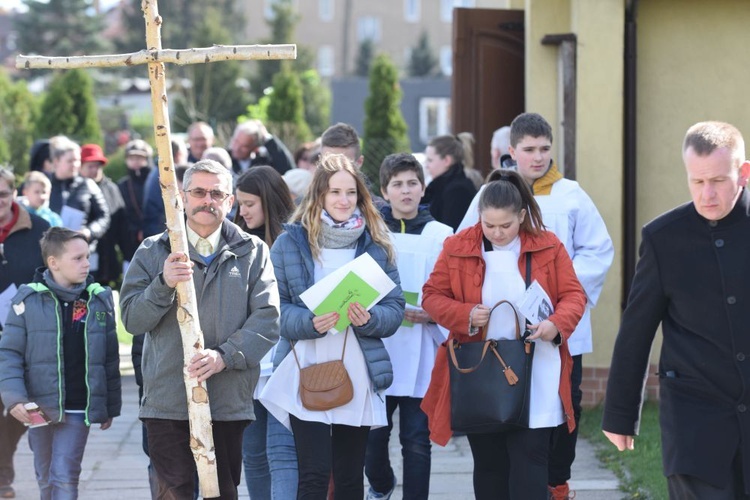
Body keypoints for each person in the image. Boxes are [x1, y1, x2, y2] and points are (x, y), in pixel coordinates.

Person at [458, 112, 614, 499]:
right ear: (512, 152)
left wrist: (556, 290)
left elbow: (598, 251)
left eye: (545, 149)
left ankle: (556, 481)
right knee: (502, 412)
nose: (538, 157)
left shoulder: (570, 195)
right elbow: (464, 247)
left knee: (564, 408)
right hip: (501, 335)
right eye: (529, 150)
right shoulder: (489, 196)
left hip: (556, 328)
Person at [602, 121, 750, 499]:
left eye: (717, 180)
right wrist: (620, 414)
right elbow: (637, 328)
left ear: (744, 173)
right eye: (697, 182)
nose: (708, 195)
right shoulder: (663, 238)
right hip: (694, 418)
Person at [420, 170, 586, 499]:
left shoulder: (549, 245)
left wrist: (555, 323)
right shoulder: (457, 246)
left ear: (522, 216)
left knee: (531, 460)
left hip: (538, 366)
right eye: (489, 225)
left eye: (506, 226)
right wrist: (464, 314)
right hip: (480, 370)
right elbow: (432, 296)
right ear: (479, 216)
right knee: (490, 464)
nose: (497, 233)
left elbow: (574, 295)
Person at [120, 159, 280, 499]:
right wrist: (163, 283)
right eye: (198, 192)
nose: (207, 200)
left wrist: (224, 357)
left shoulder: (252, 252)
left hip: (226, 399)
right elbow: (133, 319)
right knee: (174, 491)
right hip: (168, 399)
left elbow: (268, 319)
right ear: (182, 197)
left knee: (222, 491)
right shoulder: (153, 251)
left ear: (230, 201)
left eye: (217, 193)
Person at [260, 153, 404, 499]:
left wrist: (370, 318)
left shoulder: (377, 244)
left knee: (350, 476)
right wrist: (309, 322)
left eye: (351, 193)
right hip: (305, 363)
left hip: (357, 365)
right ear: (319, 195)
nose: (344, 200)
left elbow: (395, 307)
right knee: (313, 474)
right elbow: (272, 308)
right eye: (335, 192)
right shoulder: (289, 242)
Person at [0, 226, 122, 499]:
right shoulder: (27, 300)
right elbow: (9, 354)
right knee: (45, 475)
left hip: (79, 406)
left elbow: (109, 357)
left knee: (64, 474)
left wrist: (110, 406)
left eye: (87, 256)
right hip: (38, 405)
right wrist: (14, 398)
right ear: (53, 262)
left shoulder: (97, 300)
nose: (87, 263)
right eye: (77, 258)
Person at [364, 153, 453, 500]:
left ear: (423, 187)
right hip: (379, 351)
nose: (406, 191)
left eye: (412, 183)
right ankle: (382, 485)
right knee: (372, 437)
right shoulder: (372, 234)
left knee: (416, 442)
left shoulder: (442, 235)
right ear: (385, 191)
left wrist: (435, 314)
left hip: (423, 351)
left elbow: (454, 290)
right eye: (397, 185)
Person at [232, 166, 298, 500]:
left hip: (286, 359)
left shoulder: (294, 241)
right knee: (253, 453)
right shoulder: (238, 242)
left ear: (269, 201)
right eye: (240, 204)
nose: (241, 211)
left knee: (283, 452)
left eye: (249, 204)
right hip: (248, 360)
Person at [0, 167, 51, 499]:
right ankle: (2, 475)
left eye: (3, 195)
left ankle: (3, 464)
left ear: (14, 194)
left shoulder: (39, 229)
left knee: (18, 404)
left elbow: (53, 276)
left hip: (25, 333)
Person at [47, 136, 111, 258]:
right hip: (53, 251)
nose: (75, 165)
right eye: (70, 161)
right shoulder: (45, 186)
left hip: (83, 251)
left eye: (77, 160)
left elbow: (104, 216)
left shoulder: (88, 185)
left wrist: (89, 232)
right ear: (56, 161)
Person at [80, 143, 128, 286]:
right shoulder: (74, 191)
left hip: (108, 260)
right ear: (80, 166)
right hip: (82, 259)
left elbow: (122, 225)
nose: (95, 170)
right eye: (90, 166)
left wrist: (127, 256)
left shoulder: (112, 189)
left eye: (98, 166)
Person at [421, 133, 477, 231]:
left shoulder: (457, 191)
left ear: (447, 160)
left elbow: (450, 232)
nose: (427, 165)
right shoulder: (439, 187)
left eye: (430, 160)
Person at [118, 140, 154, 268]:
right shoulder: (123, 185)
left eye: (139, 157)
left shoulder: (156, 180)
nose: (135, 161)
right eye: (131, 158)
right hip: (131, 243)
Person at [229, 120, 294, 176]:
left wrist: (268, 139)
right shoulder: (224, 158)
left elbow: (288, 171)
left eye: (244, 146)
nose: (236, 148)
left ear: (255, 148)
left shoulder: (263, 162)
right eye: (236, 141)